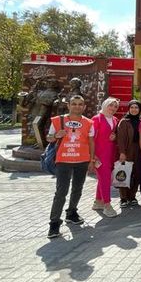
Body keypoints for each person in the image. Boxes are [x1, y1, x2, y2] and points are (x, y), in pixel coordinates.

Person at [46, 95, 95, 238]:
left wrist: (91, 159)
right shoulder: (58, 120)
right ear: (68, 105)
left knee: (77, 189)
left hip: (82, 160)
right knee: (61, 192)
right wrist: (56, 136)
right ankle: (54, 224)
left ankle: (71, 213)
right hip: (64, 160)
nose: (77, 106)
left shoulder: (89, 123)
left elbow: (91, 142)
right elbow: (49, 138)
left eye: (80, 104)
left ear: (84, 107)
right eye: (74, 104)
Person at [91, 97, 120, 218]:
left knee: (103, 178)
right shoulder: (96, 119)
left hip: (110, 154)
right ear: (105, 105)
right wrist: (92, 155)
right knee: (105, 179)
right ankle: (107, 206)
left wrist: (115, 137)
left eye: (115, 106)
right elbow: (91, 138)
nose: (113, 108)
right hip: (99, 155)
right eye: (111, 105)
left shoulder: (115, 119)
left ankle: (98, 202)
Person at [117, 100, 141, 208]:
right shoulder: (124, 121)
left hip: (139, 150)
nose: (134, 109)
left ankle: (132, 196)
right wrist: (122, 152)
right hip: (127, 150)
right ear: (129, 108)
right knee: (124, 173)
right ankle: (123, 198)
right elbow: (120, 139)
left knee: (137, 174)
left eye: (136, 107)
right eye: (132, 107)